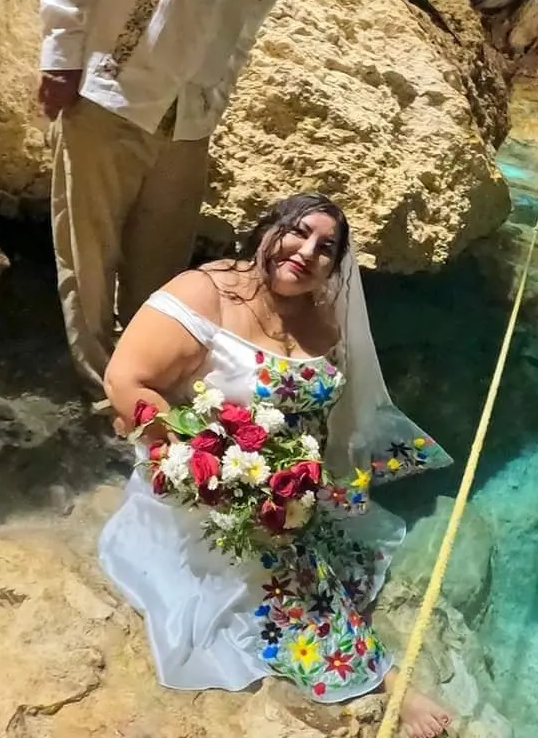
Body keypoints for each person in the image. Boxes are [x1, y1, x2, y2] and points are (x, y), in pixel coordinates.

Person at [98, 193, 454, 738]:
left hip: (290, 483)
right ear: (266, 229)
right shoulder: (205, 293)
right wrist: (211, 477)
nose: (307, 251)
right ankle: (387, 680)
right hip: (208, 485)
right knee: (292, 585)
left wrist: (308, 478)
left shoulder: (320, 315)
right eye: (297, 232)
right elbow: (127, 383)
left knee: (329, 542)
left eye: (326, 248)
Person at [37, 0, 350, 391]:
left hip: (188, 126)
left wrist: (213, 108)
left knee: (162, 268)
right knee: (89, 261)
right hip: (111, 97)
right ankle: (111, 398)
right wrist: (62, 53)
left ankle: (152, 383)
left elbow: (239, 38)